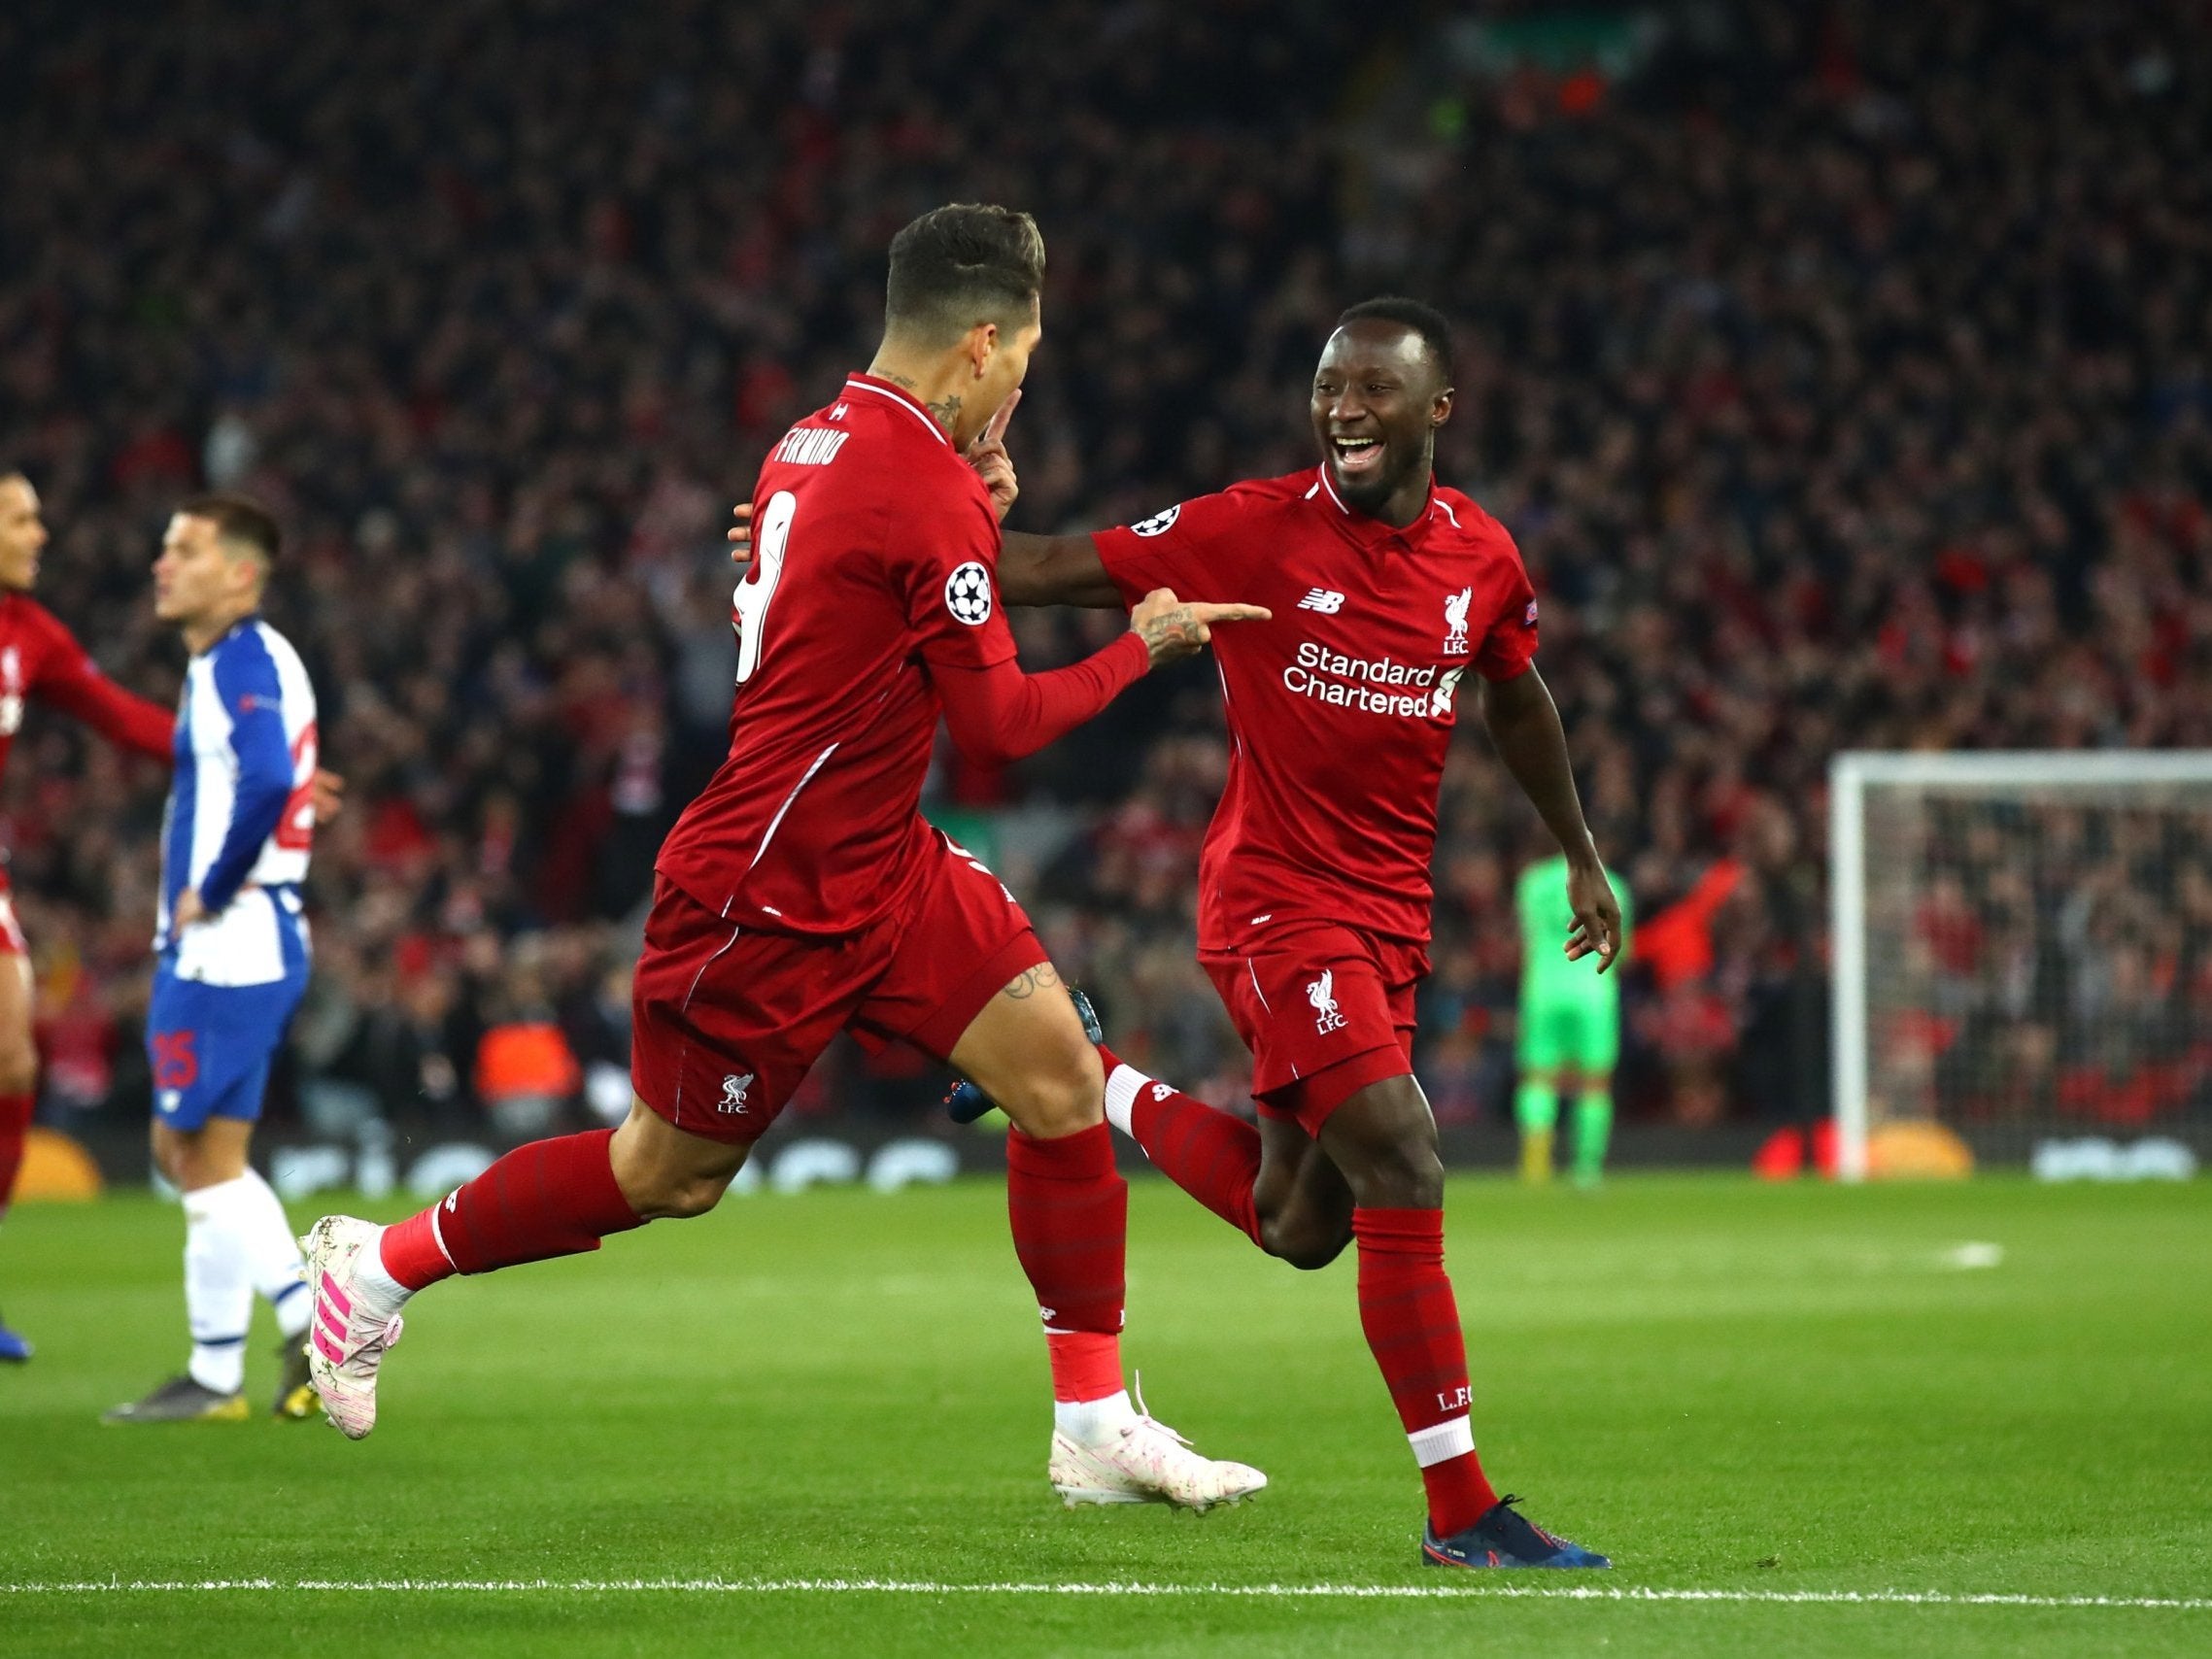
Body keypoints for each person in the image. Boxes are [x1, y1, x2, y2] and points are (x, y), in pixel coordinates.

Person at [301, 205, 1273, 1510]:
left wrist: (968, 522)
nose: (1023, 390)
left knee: (1053, 1085)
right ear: (979, 345)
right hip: (765, 890)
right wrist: (1140, 649)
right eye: (1025, 364)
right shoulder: (915, 487)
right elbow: (1001, 723)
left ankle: (1092, 1428)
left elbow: (848, 583)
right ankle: (377, 1267)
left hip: (887, 862)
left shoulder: (813, 443)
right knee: (668, 1175)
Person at [933, 298, 1622, 1568]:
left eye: (1371, 390)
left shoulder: (1483, 558)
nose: (1343, 409)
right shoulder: (1250, 529)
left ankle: (1088, 1074)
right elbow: (1047, 568)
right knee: (1408, 1162)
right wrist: (892, 533)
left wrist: (1578, 854)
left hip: (1385, 921)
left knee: (1301, 1226)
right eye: (1327, 387)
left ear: (1436, 412)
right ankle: (1464, 1512)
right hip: (1274, 902)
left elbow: (1516, 697)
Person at [103, 494, 324, 1423]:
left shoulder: (238, 658)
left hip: (229, 941)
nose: (163, 564)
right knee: (197, 1150)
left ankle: (310, 1326)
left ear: (239, 573)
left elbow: (270, 776)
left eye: (185, 550)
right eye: (162, 548)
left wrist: (217, 884)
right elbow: (271, 769)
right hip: (251, 934)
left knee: (190, 1153)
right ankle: (224, 1368)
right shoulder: (237, 661)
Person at [0, 473, 205, 1364]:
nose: (41, 532)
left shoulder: (29, 633)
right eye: (21, 517)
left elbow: (119, 717)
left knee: (14, 1060)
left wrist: (231, 756)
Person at [1514, 850, 1632, 1187]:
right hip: (1593, 991)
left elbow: (1528, 935)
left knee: (1538, 1080)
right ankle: (1587, 1170)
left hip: (1544, 989)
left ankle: (1535, 1169)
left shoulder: (1531, 882)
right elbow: (1624, 947)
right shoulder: (1613, 884)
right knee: (1594, 1083)